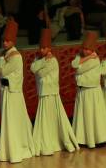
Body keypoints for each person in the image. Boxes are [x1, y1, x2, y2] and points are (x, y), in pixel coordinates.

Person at [30, 27, 78, 156]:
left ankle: (58, 142)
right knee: (45, 120)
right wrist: (43, 61)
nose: (42, 50)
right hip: (43, 93)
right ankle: (47, 143)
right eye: (41, 48)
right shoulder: (40, 59)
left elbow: (41, 72)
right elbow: (34, 69)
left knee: (54, 119)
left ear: (49, 48)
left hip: (51, 93)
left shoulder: (54, 61)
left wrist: (41, 65)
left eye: (45, 48)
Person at [0, 20, 35, 163]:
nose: (5, 43)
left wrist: (1, 61)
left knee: (14, 119)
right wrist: (1, 60)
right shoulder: (4, 55)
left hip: (13, 93)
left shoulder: (16, 56)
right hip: (5, 92)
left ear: (13, 41)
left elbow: (2, 70)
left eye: (7, 41)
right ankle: (8, 149)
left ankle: (18, 149)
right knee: (7, 119)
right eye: (4, 40)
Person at [71, 31, 106, 148]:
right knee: (83, 115)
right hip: (82, 91)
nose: (85, 51)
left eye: (88, 49)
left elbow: (78, 70)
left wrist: (80, 67)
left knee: (94, 115)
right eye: (84, 49)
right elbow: (74, 65)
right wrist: (86, 58)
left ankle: (98, 139)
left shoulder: (95, 59)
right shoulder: (83, 56)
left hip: (92, 91)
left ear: (92, 49)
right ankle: (83, 138)